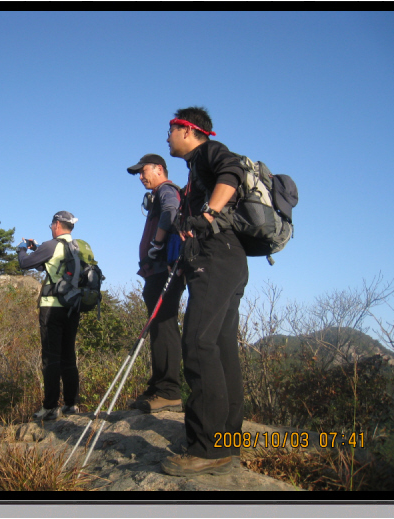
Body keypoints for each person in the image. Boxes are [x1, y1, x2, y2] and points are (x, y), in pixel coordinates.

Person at [160, 107, 249, 477]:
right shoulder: (195, 168)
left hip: (216, 259)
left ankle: (208, 448)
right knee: (221, 347)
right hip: (229, 261)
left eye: (170, 130)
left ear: (187, 130)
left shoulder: (209, 152)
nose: (167, 138)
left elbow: (233, 170)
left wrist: (209, 214)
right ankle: (227, 441)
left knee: (198, 342)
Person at [126, 154, 185, 414]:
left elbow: (171, 211)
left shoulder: (166, 190)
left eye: (144, 171)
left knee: (165, 328)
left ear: (159, 169)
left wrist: (157, 243)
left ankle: (169, 392)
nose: (141, 176)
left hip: (164, 270)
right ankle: (158, 386)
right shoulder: (158, 194)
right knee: (159, 329)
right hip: (156, 271)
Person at [17, 211, 82, 421]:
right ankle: (71, 404)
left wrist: (22, 249)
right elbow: (46, 264)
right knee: (68, 356)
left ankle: (50, 407)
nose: (51, 228)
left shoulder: (51, 245)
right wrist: (37, 249)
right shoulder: (78, 247)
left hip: (52, 308)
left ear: (57, 224)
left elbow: (24, 264)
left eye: (51, 225)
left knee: (51, 357)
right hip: (73, 307)